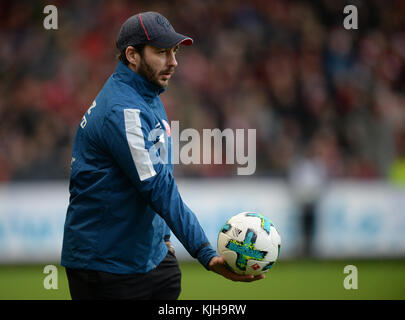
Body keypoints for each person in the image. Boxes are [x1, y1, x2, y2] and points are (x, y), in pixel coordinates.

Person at [61, 11, 264, 300]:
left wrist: (163, 238)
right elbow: (157, 187)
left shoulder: (146, 95)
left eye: (175, 50)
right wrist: (205, 252)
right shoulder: (124, 112)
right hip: (107, 267)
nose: (173, 61)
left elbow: (154, 179)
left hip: (147, 259)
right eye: (161, 52)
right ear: (132, 55)